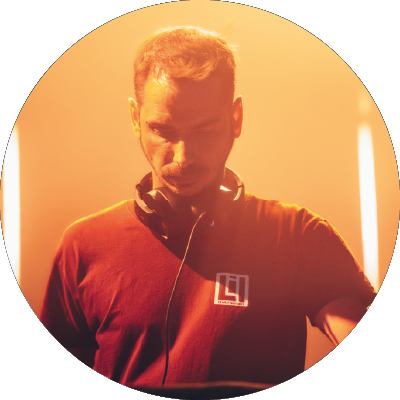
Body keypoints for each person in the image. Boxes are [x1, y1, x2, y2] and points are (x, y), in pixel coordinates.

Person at [41, 26, 376, 394]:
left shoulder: (299, 236)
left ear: (236, 118)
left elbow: (377, 360)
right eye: (163, 131)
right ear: (136, 119)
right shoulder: (83, 245)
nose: (183, 158)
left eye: (204, 131)